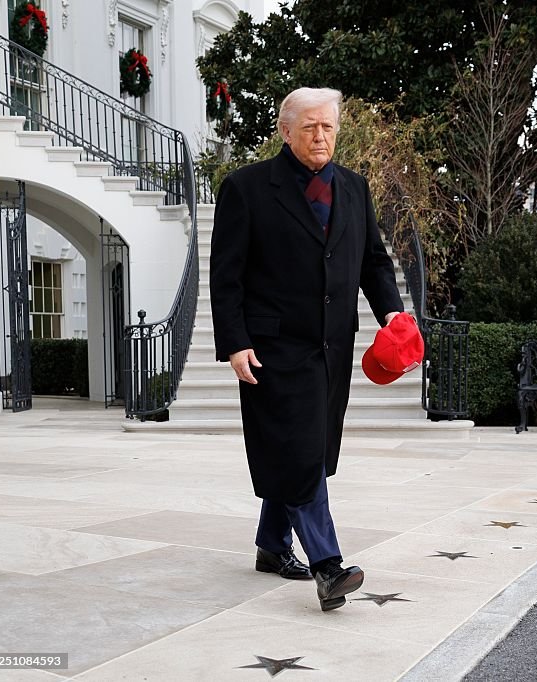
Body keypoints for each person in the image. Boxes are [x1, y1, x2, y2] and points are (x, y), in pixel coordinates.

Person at [209, 87, 403, 612]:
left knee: (305, 450)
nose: (321, 136)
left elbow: (374, 263)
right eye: (311, 127)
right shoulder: (246, 189)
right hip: (272, 347)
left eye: (329, 127)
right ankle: (328, 566)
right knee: (298, 450)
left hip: (332, 347)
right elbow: (225, 277)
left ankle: (273, 547)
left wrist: (393, 314)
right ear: (285, 130)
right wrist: (234, 341)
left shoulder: (355, 189)